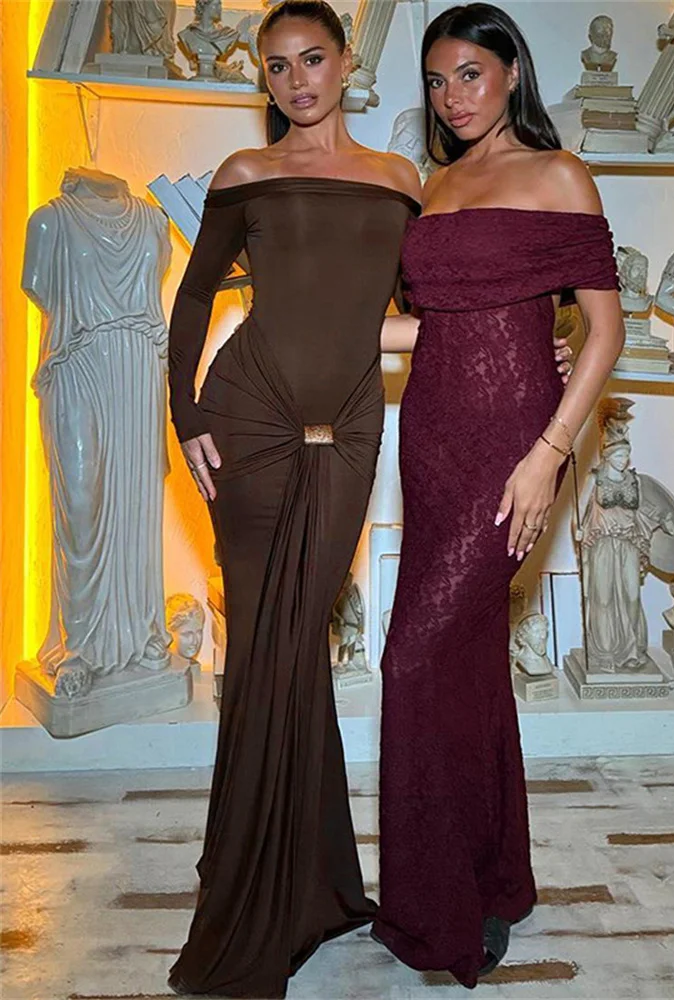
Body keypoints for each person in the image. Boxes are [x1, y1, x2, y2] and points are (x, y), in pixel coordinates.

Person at [166, 3, 422, 996]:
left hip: (349, 430)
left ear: (346, 63)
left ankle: (307, 883)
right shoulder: (245, 174)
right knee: (264, 653)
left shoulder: (399, 181)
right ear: (264, 80)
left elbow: (419, 314)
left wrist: (532, 346)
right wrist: (186, 413)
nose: (297, 80)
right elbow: (196, 295)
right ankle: (256, 893)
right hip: (249, 419)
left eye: (313, 59)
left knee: (297, 641)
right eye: (277, 67)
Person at [372, 3, 624, 988]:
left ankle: (440, 912)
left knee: (412, 658)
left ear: (512, 71)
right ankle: (492, 880)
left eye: (469, 74)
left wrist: (549, 451)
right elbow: (431, 326)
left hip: (517, 445)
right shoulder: (433, 187)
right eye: (437, 81)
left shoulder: (560, 175)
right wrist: (302, 321)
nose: (453, 96)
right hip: (431, 437)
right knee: (467, 665)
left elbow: (603, 330)